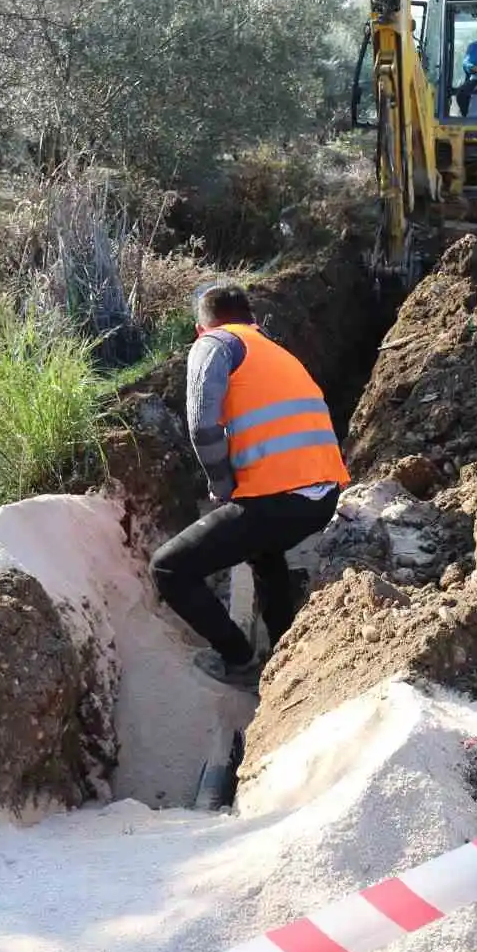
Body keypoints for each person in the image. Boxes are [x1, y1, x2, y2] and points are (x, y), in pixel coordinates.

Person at [149, 284, 349, 688]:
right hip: (323, 495)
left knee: (168, 568)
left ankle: (238, 658)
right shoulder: (274, 351)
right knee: (263, 547)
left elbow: (203, 426)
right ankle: (283, 645)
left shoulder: (214, 345)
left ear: (199, 328)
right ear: (252, 320)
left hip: (282, 498)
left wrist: (220, 483)